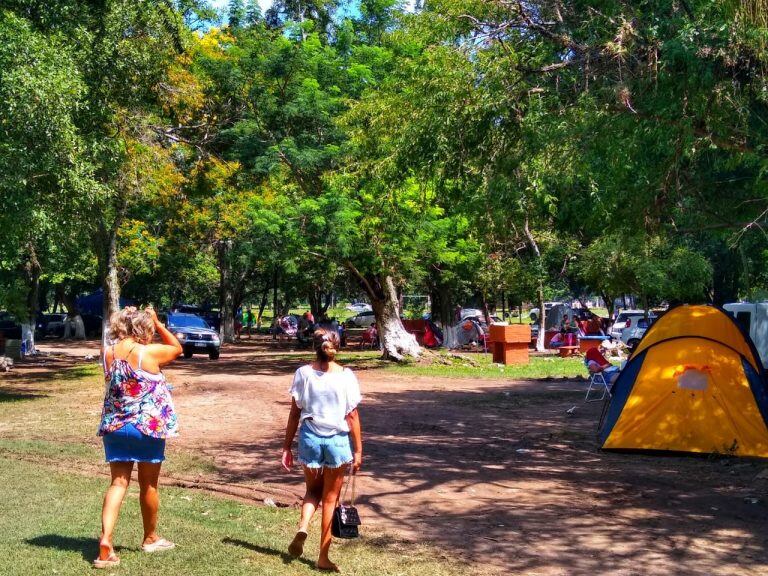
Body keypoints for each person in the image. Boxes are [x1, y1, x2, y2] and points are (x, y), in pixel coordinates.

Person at [94, 306, 183, 569]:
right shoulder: (148, 352)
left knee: (118, 483)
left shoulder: (108, 353)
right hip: (147, 427)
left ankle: (106, 541)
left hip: (115, 426)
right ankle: (150, 538)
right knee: (149, 485)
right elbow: (177, 347)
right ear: (142, 328)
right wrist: (158, 321)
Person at [281, 328, 363, 572]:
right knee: (330, 499)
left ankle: (304, 524)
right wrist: (358, 451)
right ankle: (323, 558)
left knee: (311, 491)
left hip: (310, 437)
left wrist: (286, 446)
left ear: (314, 347)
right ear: (338, 346)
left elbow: (295, 412)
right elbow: (353, 415)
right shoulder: (347, 376)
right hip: (337, 441)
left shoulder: (303, 373)